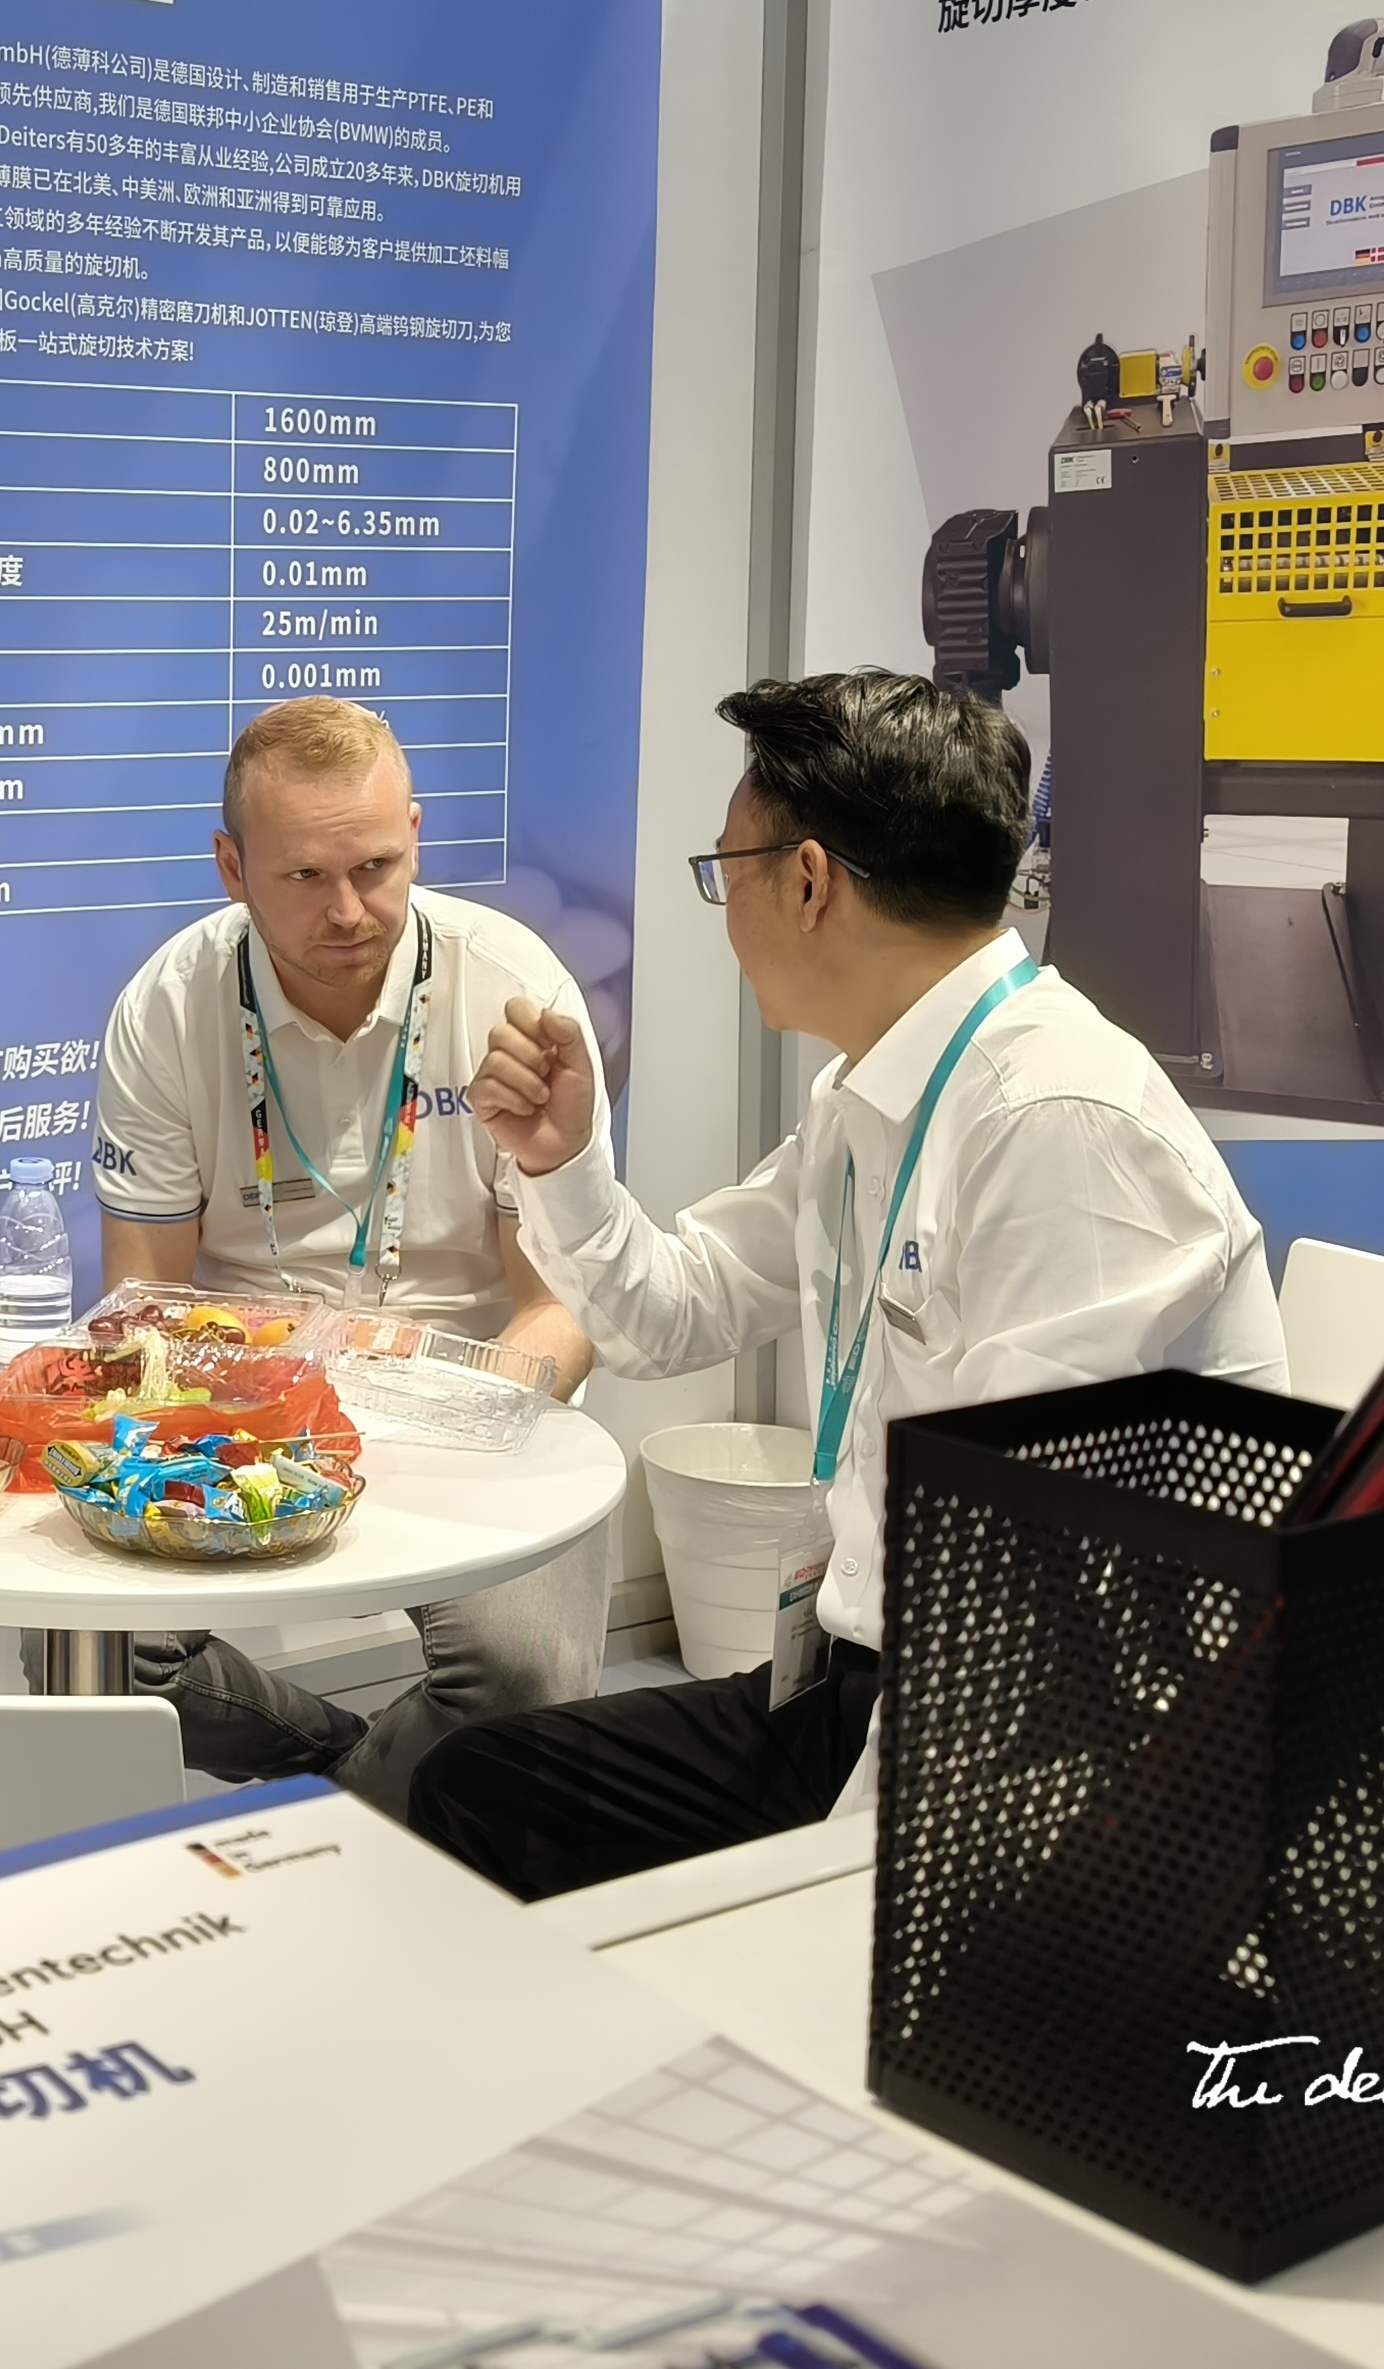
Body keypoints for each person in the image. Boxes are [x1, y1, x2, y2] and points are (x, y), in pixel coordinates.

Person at [411, 669, 1290, 1899]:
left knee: (515, 1828)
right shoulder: (874, 1095)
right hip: (863, 1672)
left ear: (809, 881)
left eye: (726, 869)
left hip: (1054, 1758)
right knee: (481, 1788)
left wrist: (840, 1891)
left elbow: (1023, 1607)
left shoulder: (1059, 1125)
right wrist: (559, 1164)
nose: (722, 910)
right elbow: (670, 1314)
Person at [86, 697, 608, 1806]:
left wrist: (458, 1411)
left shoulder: (514, 992)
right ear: (231, 867)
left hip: (472, 1399)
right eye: (304, 877)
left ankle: (326, 1824)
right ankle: (346, 1785)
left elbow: (565, 1308)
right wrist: (263, 1412)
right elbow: (143, 1307)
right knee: (98, 1664)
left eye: (377, 867)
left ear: (415, 833)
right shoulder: (169, 1005)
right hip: (244, 1404)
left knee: (526, 1677)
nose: (349, 911)